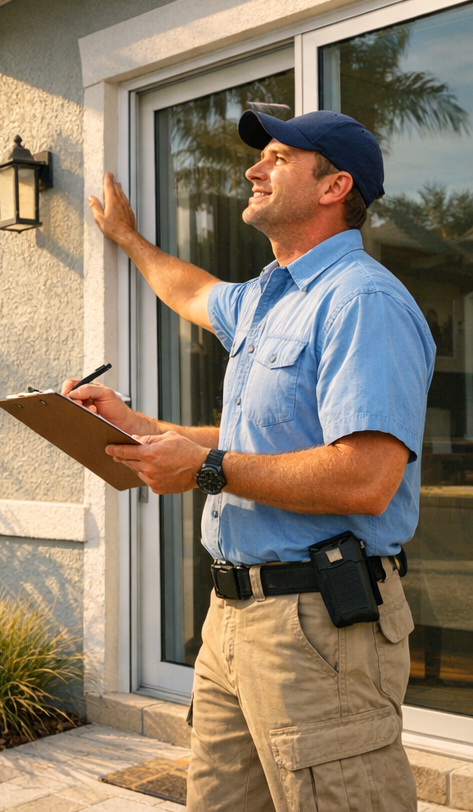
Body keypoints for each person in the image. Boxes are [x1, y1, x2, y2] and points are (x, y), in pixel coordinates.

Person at [63, 110, 435, 812]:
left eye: (279, 157)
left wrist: (206, 470)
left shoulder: (361, 301)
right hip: (232, 621)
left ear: (335, 187)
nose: (252, 170)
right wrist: (137, 425)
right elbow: (190, 292)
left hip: (319, 627)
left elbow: (366, 476)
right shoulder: (269, 298)